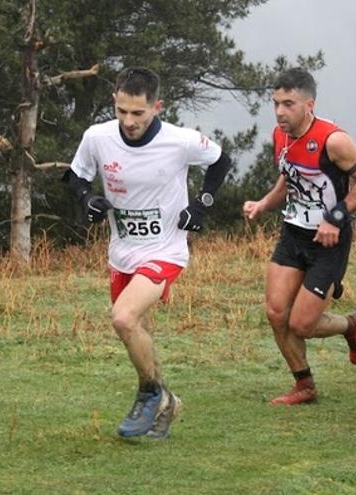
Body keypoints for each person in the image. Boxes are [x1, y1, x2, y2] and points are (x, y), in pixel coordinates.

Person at [63, 67, 231, 438]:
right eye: (122, 111)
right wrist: (86, 198)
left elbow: (221, 161)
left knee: (123, 319)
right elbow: (75, 176)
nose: (128, 121)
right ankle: (167, 401)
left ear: (157, 106)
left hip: (166, 249)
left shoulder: (181, 140)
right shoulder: (98, 137)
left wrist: (200, 206)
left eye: (138, 113)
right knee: (136, 330)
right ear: (115, 101)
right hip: (121, 251)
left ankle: (149, 393)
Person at [243, 68, 356, 405]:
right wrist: (264, 203)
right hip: (293, 234)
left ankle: (352, 325)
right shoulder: (281, 135)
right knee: (277, 313)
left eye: (288, 104)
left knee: (301, 324)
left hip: (328, 243)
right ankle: (304, 385)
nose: (279, 112)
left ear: (309, 104)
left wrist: (335, 217)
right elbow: (289, 179)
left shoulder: (333, 141)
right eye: (275, 103)